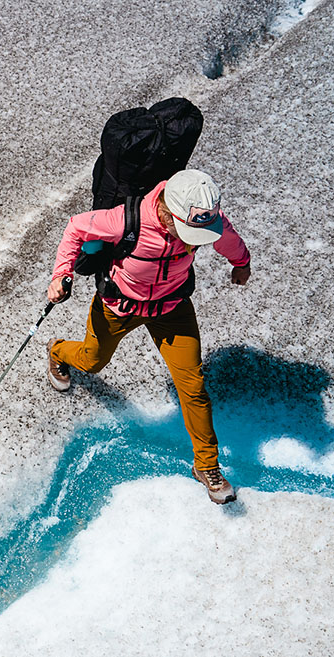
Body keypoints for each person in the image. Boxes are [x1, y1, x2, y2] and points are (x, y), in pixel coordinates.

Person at [45, 169, 251, 504]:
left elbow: (227, 238)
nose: (193, 240)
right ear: (168, 213)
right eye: (187, 231)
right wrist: (60, 274)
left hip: (171, 309)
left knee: (194, 386)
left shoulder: (207, 220)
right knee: (91, 361)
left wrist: (241, 263)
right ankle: (58, 351)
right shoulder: (123, 221)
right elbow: (75, 227)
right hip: (118, 307)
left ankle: (206, 465)